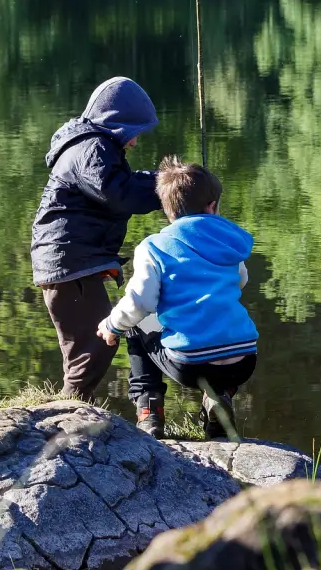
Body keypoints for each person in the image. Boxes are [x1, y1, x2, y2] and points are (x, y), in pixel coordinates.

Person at [97, 157, 257, 439]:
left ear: (166, 209)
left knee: (138, 322)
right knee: (228, 326)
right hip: (243, 360)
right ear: (212, 206)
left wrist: (112, 325)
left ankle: (149, 410)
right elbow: (241, 281)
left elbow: (139, 302)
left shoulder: (155, 246)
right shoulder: (230, 241)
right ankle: (220, 398)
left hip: (189, 363)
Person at [30, 77, 161, 401]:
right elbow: (120, 193)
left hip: (68, 259)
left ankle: (71, 410)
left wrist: (160, 180)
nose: (133, 143)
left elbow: (122, 182)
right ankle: (68, 414)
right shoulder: (92, 149)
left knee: (87, 346)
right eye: (132, 133)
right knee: (95, 345)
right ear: (115, 122)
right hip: (68, 260)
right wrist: (168, 187)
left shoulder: (92, 145)